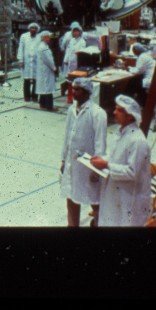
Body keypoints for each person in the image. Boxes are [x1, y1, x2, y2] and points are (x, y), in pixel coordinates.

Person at [90, 94, 152, 227]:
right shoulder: (121, 132)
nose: (114, 112)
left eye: (119, 110)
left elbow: (131, 172)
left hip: (131, 198)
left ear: (130, 116)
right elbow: (116, 157)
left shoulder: (137, 141)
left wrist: (106, 165)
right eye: (115, 109)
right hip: (117, 194)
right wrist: (101, 159)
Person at [60, 77, 107, 226]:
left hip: (89, 165)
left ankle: (100, 225)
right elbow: (67, 136)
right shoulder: (71, 110)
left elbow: (100, 142)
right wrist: (63, 160)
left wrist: (97, 169)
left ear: (87, 92)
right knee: (71, 195)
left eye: (77, 90)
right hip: (72, 163)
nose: (73, 92)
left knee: (94, 199)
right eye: (73, 89)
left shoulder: (97, 113)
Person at [128, 42, 156, 108]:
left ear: (136, 50)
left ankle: (129, 102)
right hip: (152, 79)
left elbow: (138, 71)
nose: (133, 51)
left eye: (133, 50)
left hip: (149, 80)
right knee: (133, 82)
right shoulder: (144, 56)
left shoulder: (142, 57)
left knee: (131, 84)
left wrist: (127, 69)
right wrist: (129, 68)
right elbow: (139, 69)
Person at [18, 22, 41, 102]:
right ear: (29, 29)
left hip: (36, 62)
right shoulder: (24, 36)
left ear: (37, 30)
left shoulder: (39, 37)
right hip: (26, 61)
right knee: (26, 79)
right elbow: (20, 48)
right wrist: (21, 60)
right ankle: (27, 96)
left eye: (35, 28)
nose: (33, 30)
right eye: (32, 28)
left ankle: (35, 96)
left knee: (36, 79)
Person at [36, 31, 57, 111]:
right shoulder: (43, 47)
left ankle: (42, 104)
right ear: (42, 38)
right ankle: (49, 106)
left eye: (48, 37)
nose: (48, 39)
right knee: (48, 88)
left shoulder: (43, 46)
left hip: (43, 70)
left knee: (43, 88)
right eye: (46, 37)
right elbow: (48, 60)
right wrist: (54, 67)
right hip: (46, 70)